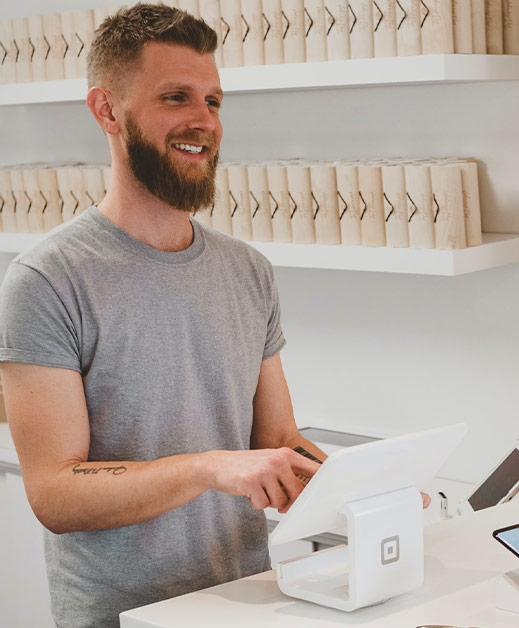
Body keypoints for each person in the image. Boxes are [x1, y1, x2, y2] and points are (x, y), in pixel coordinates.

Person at [0, 4, 325, 628]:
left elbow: (276, 442)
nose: (204, 121)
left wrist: (369, 484)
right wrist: (207, 466)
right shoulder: (47, 280)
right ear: (107, 111)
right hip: (125, 617)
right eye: (176, 97)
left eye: (214, 100)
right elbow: (56, 493)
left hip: (247, 603)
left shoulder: (247, 269)